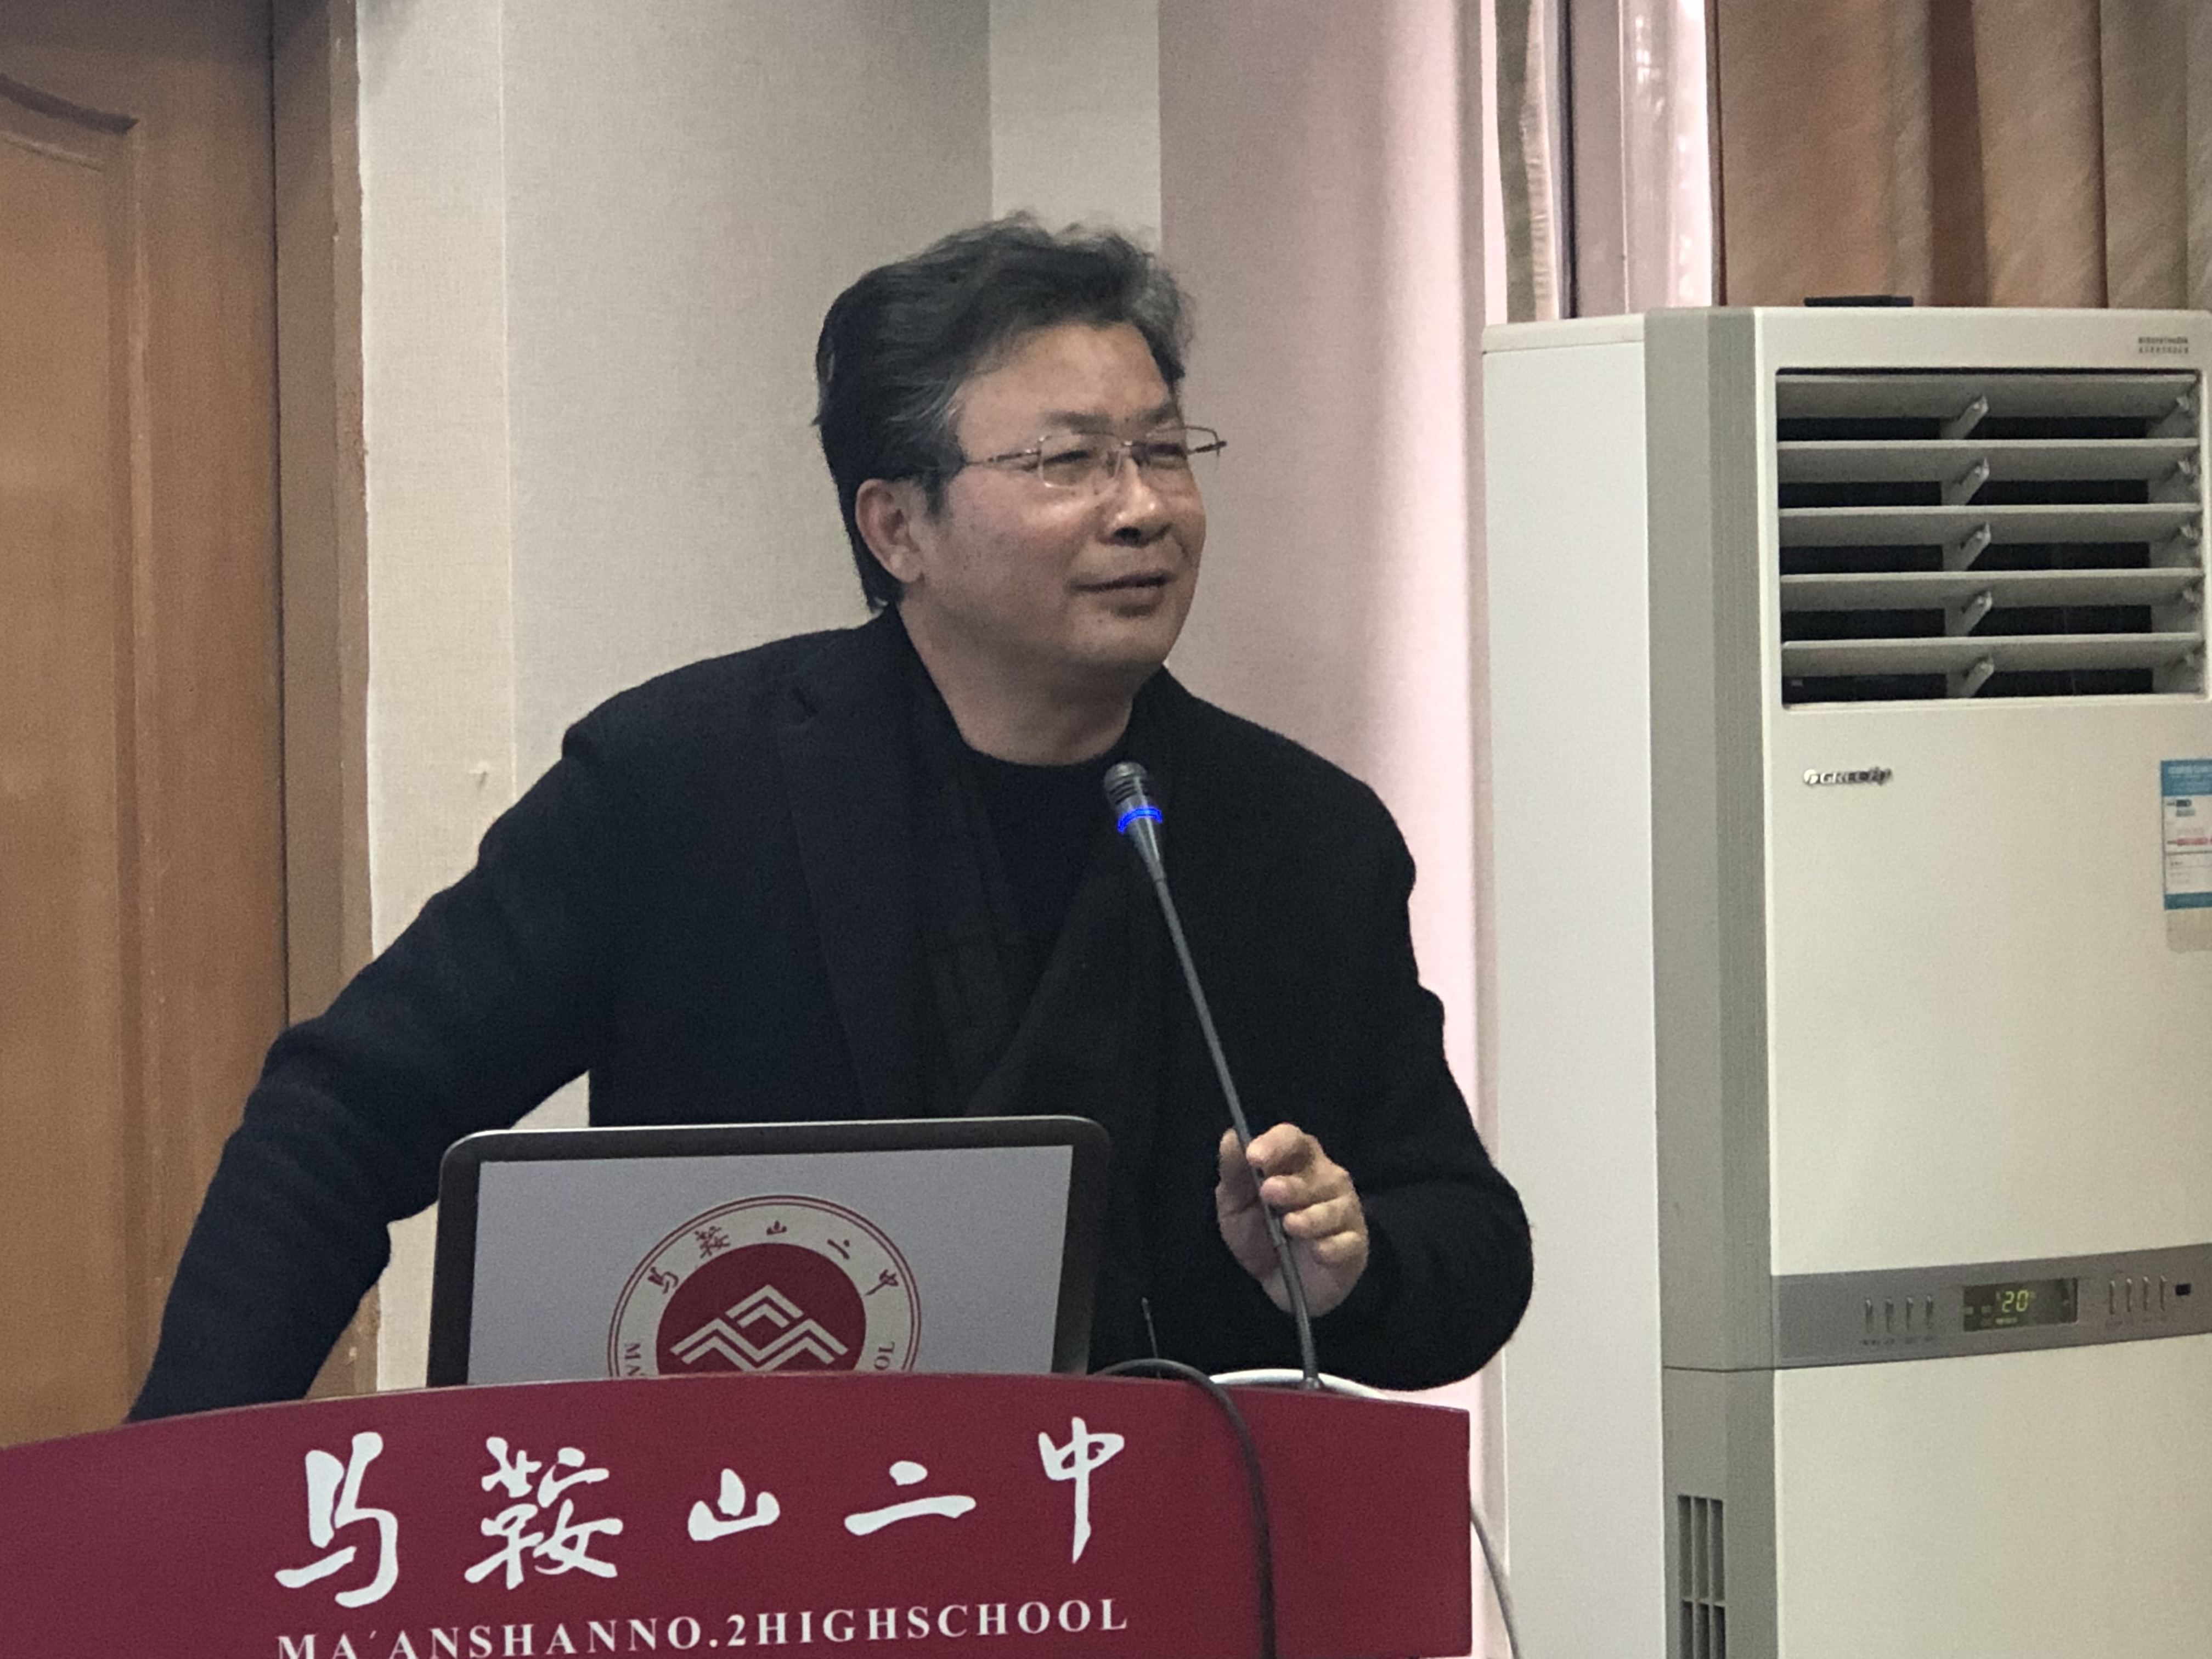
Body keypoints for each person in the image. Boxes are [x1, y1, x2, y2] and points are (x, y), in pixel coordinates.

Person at [130, 218, 1531, 1419]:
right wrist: (175, 1490)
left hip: (1144, 1559)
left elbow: (1469, 1241)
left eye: (1164, 451)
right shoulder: (678, 785)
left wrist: (1351, 1269)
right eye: (1068, 462)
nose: (1141, 509)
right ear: (896, 526)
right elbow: (343, 1113)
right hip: (753, 1552)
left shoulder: (1303, 839)